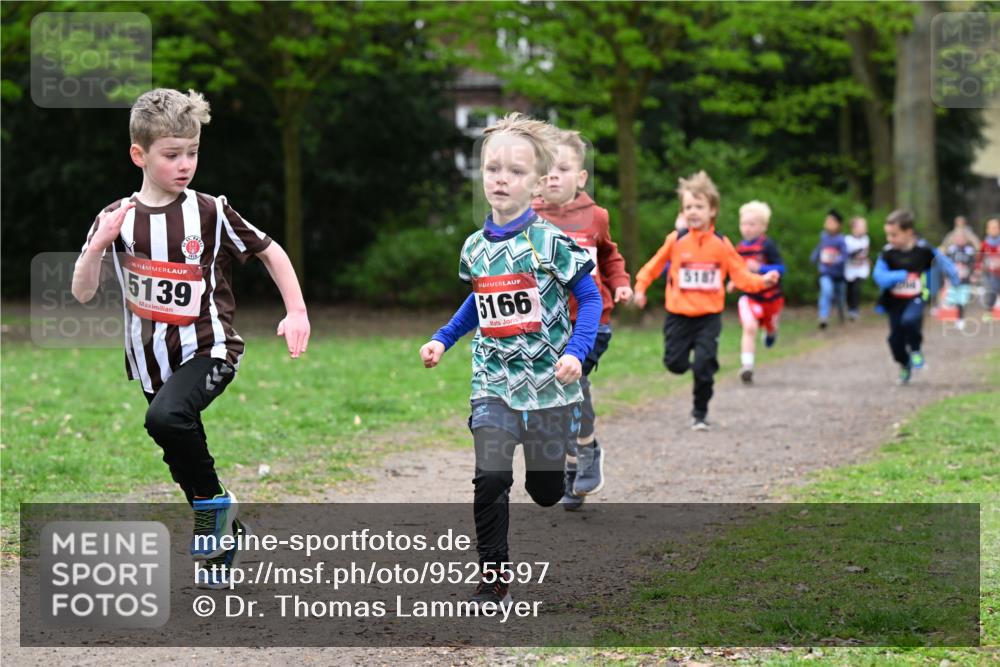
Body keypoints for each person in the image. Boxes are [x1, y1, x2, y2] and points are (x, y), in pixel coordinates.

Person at [70, 89, 310, 588]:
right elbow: (83, 290)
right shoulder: (116, 217)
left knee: (166, 417)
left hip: (210, 347)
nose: (185, 165)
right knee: (174, 441)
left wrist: (296, 311)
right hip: (150, 360)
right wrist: (98, 245)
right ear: (139, 154)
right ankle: (223, 536)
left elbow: (270, 251)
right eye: (172, 155)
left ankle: (216, 511)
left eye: (193, 153)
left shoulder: (210, 211)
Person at [419, 113, 600, 606]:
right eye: (492, 168)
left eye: (515, 171)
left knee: (544, 490)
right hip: (494, 378)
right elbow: (478, 301)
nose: (501, 178)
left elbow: (592, 297)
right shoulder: (475, 248)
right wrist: (443, 339)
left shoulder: (551, 243)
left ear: (539, 183)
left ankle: (561, 459)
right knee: (492, 474)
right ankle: (493, 578)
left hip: (549, 382)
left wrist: (576, 353)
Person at [632, 171, 779, 430]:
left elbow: (741, 276)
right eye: (688, 207)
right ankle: (700, 364)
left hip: (708, 318)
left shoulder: (721, 244)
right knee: (675, 364)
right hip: (677, 315)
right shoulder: (676, 240)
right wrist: (641, 287)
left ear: (712, 210)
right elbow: (654, 266)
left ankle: (700, 412)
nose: (693, 211)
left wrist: (763, 281)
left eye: (699, 206)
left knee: (703, 366)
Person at [532, 129, 632, 511]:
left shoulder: (596, 217)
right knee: (553, 397)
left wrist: (620, 283)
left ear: (581, 177)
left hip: (592, 320)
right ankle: (574, 464)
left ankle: (587, 451)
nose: (553, 176)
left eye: (563, 168)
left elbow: (609, 257)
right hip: (547, 324)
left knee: (575, 383)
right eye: (545, 169)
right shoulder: (529, 218)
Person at [872, 209, 958, 384]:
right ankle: (904, 364)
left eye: (894, 235)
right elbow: (878, 276)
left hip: (916, 297)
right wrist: (899, 275)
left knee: (910, 321)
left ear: (908, 232)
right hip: (894, 301)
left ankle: (916, 349)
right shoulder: (888, 253)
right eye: (888, 235)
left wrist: (955, 278)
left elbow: (943, 262)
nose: (890, 239)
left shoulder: (923, 250)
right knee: (894, 340)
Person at [727, 200, 785, 385]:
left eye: (752, 224)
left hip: (771, 298)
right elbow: (736, 271)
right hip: (750, 297)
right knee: (749, 327)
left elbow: (782, 268)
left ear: (763, 226)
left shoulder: (768, 245)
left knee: (769, 330)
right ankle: (747, 367)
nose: (747, 228)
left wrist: (761, 268)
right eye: (744, 223)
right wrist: (734, 282)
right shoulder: (738, 248)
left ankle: (771, 331)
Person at [810, 209, 848, 328]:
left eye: (831, 222)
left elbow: (845, 255)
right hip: (825, 272)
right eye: (827, 221)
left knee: (840, 298)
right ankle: (823, 317)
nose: (828, 224)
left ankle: (841, 313)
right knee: (826, 292)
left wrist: (836, 261)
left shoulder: (841, 240)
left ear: (838, 225)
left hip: (838, 275)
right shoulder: (824, 237)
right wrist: (814, 257)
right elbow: (820, 248)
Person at [939, 228, 978, 328]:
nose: (960, 240)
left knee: (962, 300)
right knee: (952, 299)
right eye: (958, 238)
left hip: (965, 280)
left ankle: (960, 319)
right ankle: (952, 315)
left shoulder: (969, 250)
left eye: (962, 238)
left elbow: (973, 264)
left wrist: (972, 274)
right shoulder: (951, 250)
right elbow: (946, 264)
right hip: (953, 279)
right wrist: (947, 277)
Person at [844, 216, 871, 321]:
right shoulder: (847, 240)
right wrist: (854, 253)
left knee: (856, 288)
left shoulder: (866, 239)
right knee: (849, 289)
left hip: (860, 269)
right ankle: (850, 308)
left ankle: (854, 309)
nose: (865, 228)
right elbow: (845, 255)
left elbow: (866, 254)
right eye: (863, 226)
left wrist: (868, 264)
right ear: (854, 228)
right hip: (849, 269)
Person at [976, 217, 1000, 320]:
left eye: (996, 227)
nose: (994, 229)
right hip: (990, 273)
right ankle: (988, 311)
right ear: (987, 230)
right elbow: (979, 258)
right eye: (992, 228)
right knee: (991, 290)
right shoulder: (984, 244)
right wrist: (978, 268)